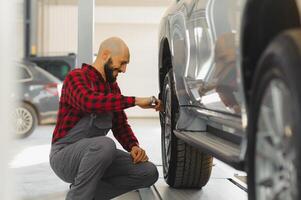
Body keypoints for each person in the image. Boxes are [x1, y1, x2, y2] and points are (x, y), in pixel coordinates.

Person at [49, 37, 162, 200]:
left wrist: (133, 146)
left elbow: (120, 125)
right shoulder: (76, 77)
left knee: (148, 172)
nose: (124, 69)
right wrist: (136, 101)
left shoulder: (112, 88)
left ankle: (84, 192)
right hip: (65, 156)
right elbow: (89, 101)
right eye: (122, 63)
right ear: (105, 55)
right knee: (105, 144)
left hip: (97, 155)